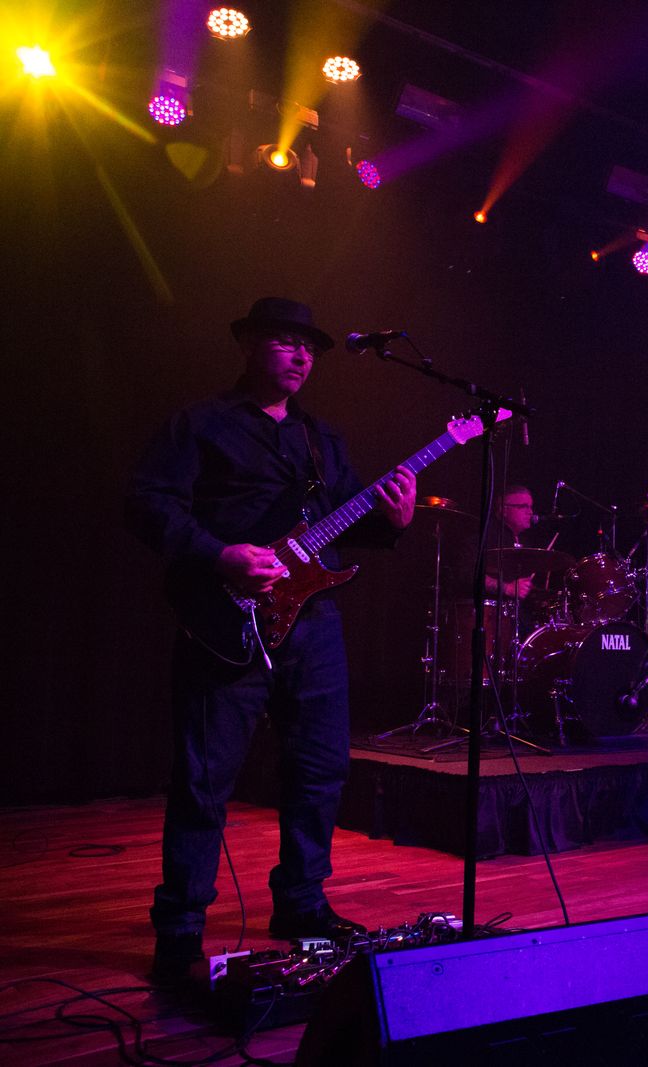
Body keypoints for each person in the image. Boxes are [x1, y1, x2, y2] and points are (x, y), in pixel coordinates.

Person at [126, 297, 416, 984]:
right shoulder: (201, 423)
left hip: (312, 625)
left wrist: (393, 521)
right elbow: (147, 502)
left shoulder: (322, 439)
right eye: (286, 342)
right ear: (250, 344)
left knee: (320, 768)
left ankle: (302, 904)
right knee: (204, 778)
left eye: (309, 347)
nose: (301, 356)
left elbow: (345, 522)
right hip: (225, 618)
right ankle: (181, 930)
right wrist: (221, 554)